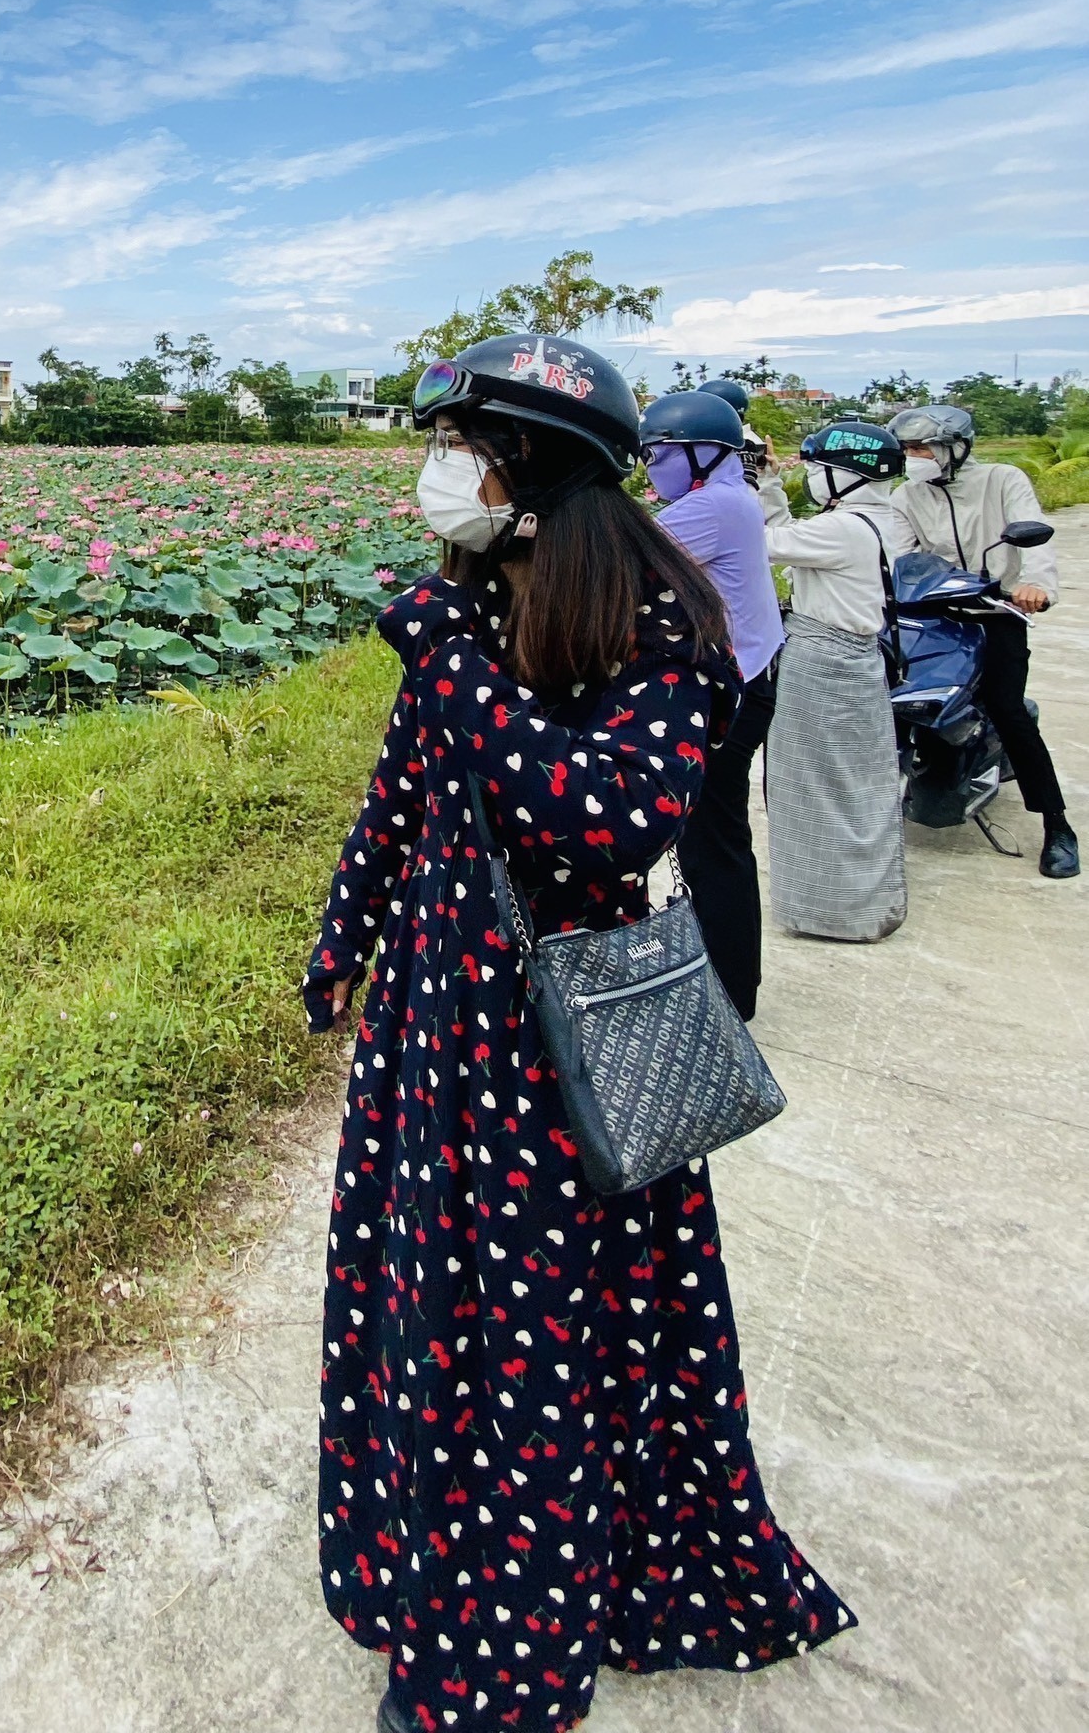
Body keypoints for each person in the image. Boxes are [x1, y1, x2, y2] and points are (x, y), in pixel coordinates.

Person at [304, 334, 853, 1733]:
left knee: (544, 1338)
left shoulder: (662, 617)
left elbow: (606, 821)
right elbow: (405, 794)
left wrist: (455, 671)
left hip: (559, 1043)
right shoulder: (470, 596)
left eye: (463, 447)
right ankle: (419, 1573)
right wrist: (342, 940)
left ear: (534, 467)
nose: (438, 474)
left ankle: (504, 1650)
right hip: (438, 1025)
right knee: (436, 1310)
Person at [637, 390, 783, 1017]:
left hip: (735, 689)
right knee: (715, 838)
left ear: (704, 453)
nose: (650, 465)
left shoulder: (710, 508)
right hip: (752, 678)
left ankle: (731, 994)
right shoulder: (730, 496)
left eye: (660, 452)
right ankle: (728, 978)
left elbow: (622, 563)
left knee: (711, 842)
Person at [886, 405, 1075, 878]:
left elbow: (1035, 543)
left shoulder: (1002, 479)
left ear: (955, 447)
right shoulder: (906, 496)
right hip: (933, 615)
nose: (915, 457)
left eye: (922, 447)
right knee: (893, 703)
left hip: (997, 611)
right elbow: (901, 556)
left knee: (1009, 711)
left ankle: (1056, 825)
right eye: (908, 449)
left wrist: (1037, 587)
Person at [757, 422, 908, 943]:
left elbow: (764, 544)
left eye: (818, 470)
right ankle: (857, 904)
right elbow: (794, 542)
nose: (814, 480)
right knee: (850, 788)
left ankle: (829, 909)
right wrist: (771, 484)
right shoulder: (872, 519)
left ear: (847, 475)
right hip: (856, 663)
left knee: (812, 787)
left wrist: (743, 482)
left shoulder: (842, 528)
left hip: (822, 663)